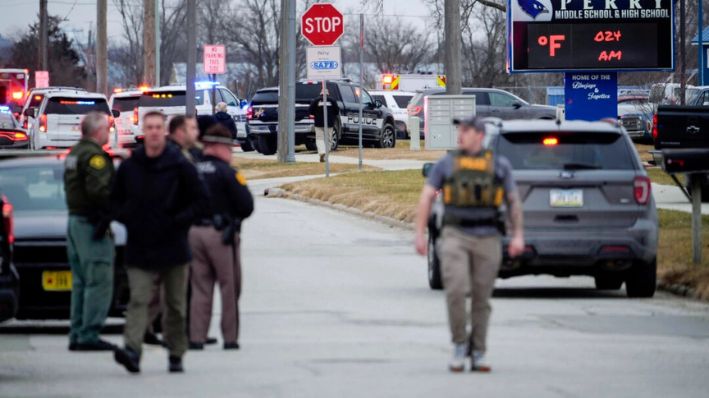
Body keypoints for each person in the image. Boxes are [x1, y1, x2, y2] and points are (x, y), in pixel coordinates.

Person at [414, 115, 525, 373]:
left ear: (479, 135)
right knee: (455, 290)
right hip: (455, 234)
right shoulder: (447, 164)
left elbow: (513, 201)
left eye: (465, 130)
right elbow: (427, 196)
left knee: (481, 297)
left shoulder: (498, 165)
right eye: (459, 130)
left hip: (488, 237)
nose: (459, 135)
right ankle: (459, 344)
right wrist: (419, 233)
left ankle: (478, 351)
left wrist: (518, 235)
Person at [112, 111, 208, 374]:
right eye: (149, 127)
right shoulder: (132, 165)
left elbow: (200, 200)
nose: (154, 131)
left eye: (158, 127)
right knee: (138, 299)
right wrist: (128, 217)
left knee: (175, 305)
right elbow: (114, 199)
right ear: (144, 130)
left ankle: (176, 353)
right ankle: (132, 349)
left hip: (173, 245)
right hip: (140, 245)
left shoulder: (179, 164)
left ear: (164, 131)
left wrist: (179, 220)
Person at [189, 124, 254, 350]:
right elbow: (246, 206)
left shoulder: (193, 170)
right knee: (230, 287)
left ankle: (196, 337)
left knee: (200, 287)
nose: (231, 152)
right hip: (221, 235)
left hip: (194, 234)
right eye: (229, 148)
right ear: (218, 146)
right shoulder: (228, 172)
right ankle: (230, 337)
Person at [64, 111, 116, 352]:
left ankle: (77, 331)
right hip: (90, 223)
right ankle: (89, 333)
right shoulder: (94, 157)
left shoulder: (74, 153)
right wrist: (111, 211)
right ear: (97, 131)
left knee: (81, 281)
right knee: (98, 279)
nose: (108, 132)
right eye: (106, 128)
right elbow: (99, 191)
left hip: (75, 221)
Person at [308, 88, 339, 163]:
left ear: (320, 93)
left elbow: (310, 111)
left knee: (319, 139)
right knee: (329, 140)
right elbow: (337, 111)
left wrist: (316, 113)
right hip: (329, 123)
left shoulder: (316, 100)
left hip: (318, 123)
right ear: (328, 93)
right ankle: (325, 155)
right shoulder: (332, 100)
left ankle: (322, 152)